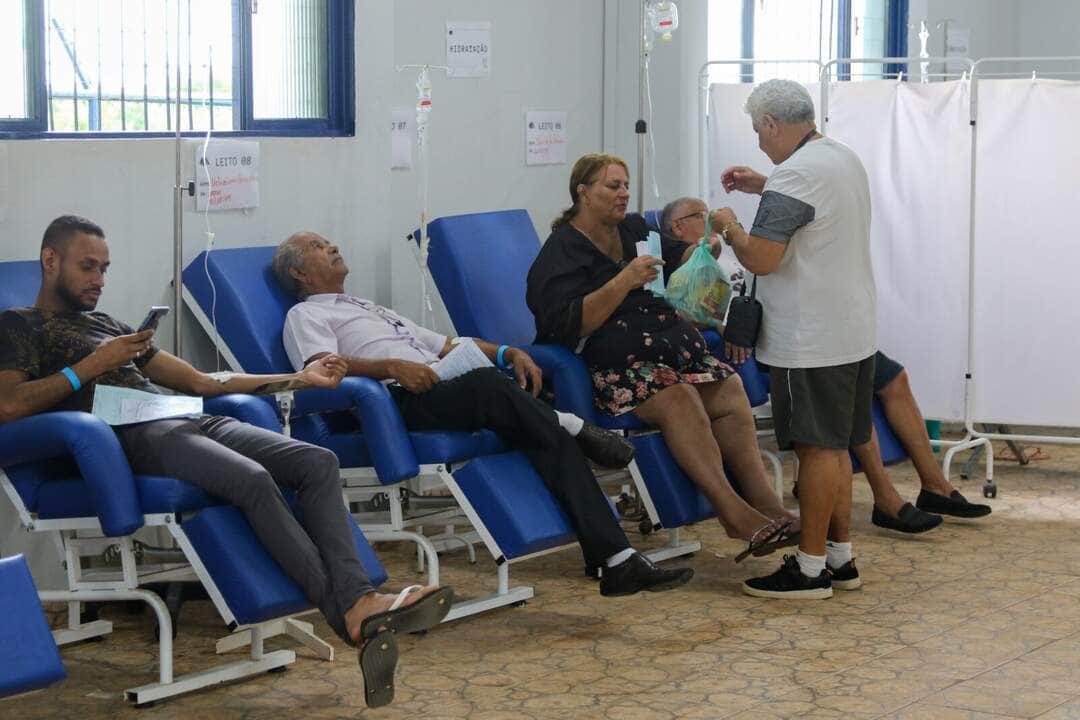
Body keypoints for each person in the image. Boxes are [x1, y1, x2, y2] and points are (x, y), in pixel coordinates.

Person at [0, 215, 452, 708]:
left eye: (105, 269)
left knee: (316, 462)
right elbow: (9, 405)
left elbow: (200, 381)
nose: (99, 281)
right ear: (50, 260)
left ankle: (359, 601)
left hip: (185, 415)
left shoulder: (109, 326)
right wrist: (91, 366)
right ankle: (353, 610)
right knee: (253, 479)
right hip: (133, 432)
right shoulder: (17, 325)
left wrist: (300, 378)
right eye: (89, 268)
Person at [273, 231, 694, 598]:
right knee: (491, 385)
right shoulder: (305, 314)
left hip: (446, 384)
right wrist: (390, 367)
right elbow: (319, 369)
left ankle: (617, 559)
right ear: (300, 275)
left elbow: (447, 344)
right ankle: (576, 425)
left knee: (543, 431)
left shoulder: (367, 306)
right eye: (317, 246)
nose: (333, 246)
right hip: (399, 400)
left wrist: (510, 352)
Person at [525, 152, 800, 570]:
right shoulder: (561, 254)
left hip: (669, 349)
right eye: (611, 186)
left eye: (625, 185)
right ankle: (731, 512)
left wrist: (703, 248)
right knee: (679, 396)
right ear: (582, 191)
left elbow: (676, 255)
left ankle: (765, 502)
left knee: (728, 388)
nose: (623, 193)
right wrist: (625, 280)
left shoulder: (633, 226)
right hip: (616, 365)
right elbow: (571, 324)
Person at [662, 197, 991, 533]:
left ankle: (935, 485)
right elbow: (686, 311)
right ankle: (886, 498)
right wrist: (724, 244)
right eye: (701, 216)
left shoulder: (724, 251)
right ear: (676, 226)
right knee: (845, 393)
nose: (709, 219)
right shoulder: (676, 259)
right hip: (771, 343)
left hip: (801, 324)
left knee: (894, 378)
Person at [713, 79, 876, 599]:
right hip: (851, 330)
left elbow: (761, 258)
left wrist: (729, 225)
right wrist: (767, 186)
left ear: (771, 124)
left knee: (816, 450)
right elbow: (814, 210)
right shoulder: (840, 157)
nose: (759, 143)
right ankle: (839, 558)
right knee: (836, 448)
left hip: (810, 338)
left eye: (758, 132)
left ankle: (808, 570)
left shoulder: (797, 174)